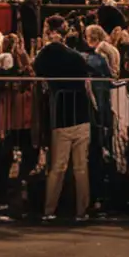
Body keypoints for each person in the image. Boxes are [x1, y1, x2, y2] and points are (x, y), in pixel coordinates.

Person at [34, 19, 96, 220]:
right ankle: (82, 210)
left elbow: (35, 70)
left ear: (48, 32)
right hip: (82, 114)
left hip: (61, 116)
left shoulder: (45, 55)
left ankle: (49, 210)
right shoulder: (76, 56)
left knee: (58, 167)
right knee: (81, 167)